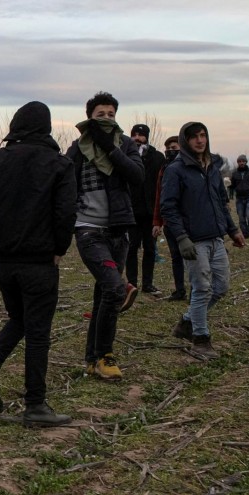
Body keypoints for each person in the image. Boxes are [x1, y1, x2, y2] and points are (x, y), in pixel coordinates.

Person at [0, 101, 77, 426]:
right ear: (47, 128)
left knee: (20, 318)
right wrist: (60, 247)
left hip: (2, 259)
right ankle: (36, 405)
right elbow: (65, 212)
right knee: (38, 331)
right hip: (39, 260)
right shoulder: (59, 164)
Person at [66, 91, 144, 380]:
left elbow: (137, 176)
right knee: (113, 288)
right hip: (88, 230)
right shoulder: (76, 149)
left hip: (118, 230)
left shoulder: (124, 144)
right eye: (101, 114)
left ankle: (93, 359)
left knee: (103, 297)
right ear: (90, 117)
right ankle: (107, 354)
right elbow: (63, 186)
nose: (107, 119)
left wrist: (110, 149)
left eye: (111, 114)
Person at [161, 122, 246, 359]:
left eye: (203, 136)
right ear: (185, 140)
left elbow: (221, 202)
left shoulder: (211, 168)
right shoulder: (176, 170)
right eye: (194, 137)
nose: (200, 140)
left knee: (221, 288)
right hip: (194, 240)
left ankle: (188, 320)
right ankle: (200, 340)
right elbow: (168, 207)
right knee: (202, 289)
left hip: (216, 238)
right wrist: (181, 238)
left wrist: (233, 230)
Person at [125, 124, 165, 296]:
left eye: (140, 135)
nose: (137, 138)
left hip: (150, 212)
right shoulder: (126, 155)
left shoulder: (157, 157)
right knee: (131, 249)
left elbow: (162, 185)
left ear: (147, 137)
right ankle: (131, 283)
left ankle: (147, 283)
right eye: (134, 135)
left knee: (150, 249)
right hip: (131, 211)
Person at [152, 136, 188, 300]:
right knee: (176, 257)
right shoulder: (164, 169)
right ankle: (179, 290)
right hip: (169, 221)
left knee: (191, 257)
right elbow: (160, 197)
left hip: (187, 220)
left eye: (174, 147)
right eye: (167, 148)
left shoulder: (188, 167)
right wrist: (157, 222)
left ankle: (196, 289)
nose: (170, 151)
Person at [231, 154, 249, 239]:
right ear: (238, 163)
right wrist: (230, 196)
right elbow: (233, 186)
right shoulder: (234, 173)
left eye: (243, 161)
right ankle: (245, 234)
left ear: (246, 162)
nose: (241, 163)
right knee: (241, 218)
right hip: (239, 198)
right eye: (239, 161)